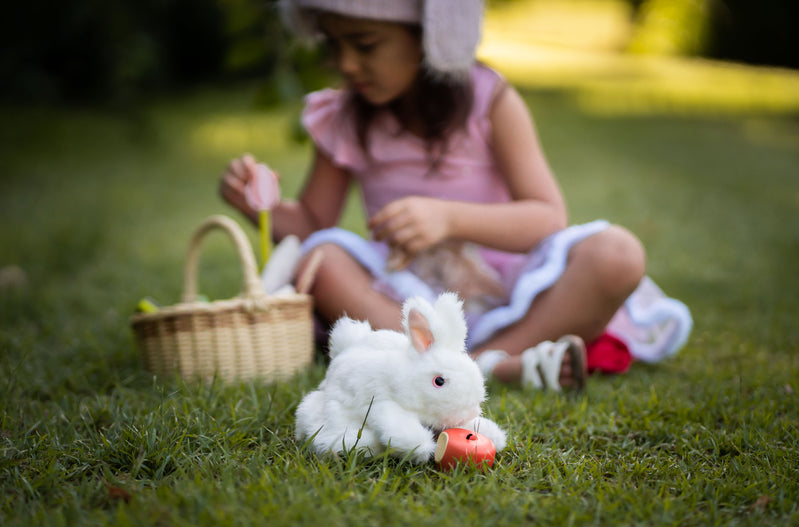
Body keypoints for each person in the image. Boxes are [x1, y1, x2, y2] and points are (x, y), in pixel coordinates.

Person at [219, 0, 692, 392]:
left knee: (618, 253)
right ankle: (473, 367)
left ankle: (480, 364)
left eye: (364, 44)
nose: (345, 63)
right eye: (333, 44)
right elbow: (312, 224)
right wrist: (260, 208)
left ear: (432, 35)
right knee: (320, 260)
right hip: (406, 299)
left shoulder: (490, 99)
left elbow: (547, 218)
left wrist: (448, 218)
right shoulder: (344, 115)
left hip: (513, 295)